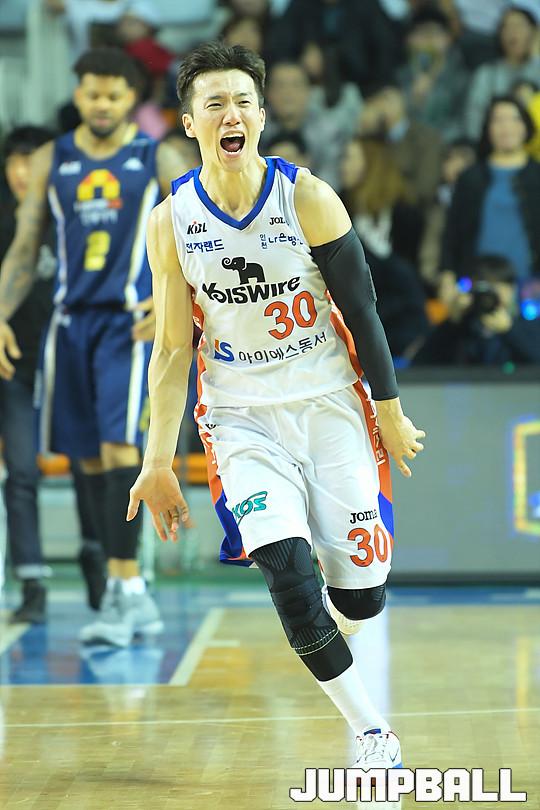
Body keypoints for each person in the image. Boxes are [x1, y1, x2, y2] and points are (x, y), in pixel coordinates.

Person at [127, 41, 426, 774]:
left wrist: (388, 410)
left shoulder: (309, 198)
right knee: (288, 578)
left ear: (260, 116)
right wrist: (157, 460)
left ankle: (340, 584)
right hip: (240, 418)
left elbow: (364, 311)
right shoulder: (171, 221)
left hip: (329, 405)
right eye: (214, 104)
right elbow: (172, 351)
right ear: (190, 123)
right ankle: (372, 734)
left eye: (243, 101)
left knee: (361, 600)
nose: (231, 114)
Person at [0, 48, 186, 646]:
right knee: (87, 459)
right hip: (68, 325)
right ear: (78, 95)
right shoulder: (52, 158)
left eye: (114, 94)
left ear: (132, 98)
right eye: (92, 93)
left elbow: (201, 228)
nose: (102, 104)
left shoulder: (158, 156)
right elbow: (26, 245)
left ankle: (126, 590)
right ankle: (125, 591)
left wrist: (178, 298)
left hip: (127, 326)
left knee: (118, 449)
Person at [0, 126, 56, 624]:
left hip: (66, 363)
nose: (23, 172)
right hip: (13, 369)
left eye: (32, 161)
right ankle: (33, 582)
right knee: (20, 471)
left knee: (96, 467)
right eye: (15, 161)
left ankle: (107, 570)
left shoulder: (68, 219)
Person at [440, 95, 540, 306]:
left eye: (514, 119)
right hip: (475, 283)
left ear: (526, 127)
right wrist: (447, 275)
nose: (506, 127)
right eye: (498, 120)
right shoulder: (470, 178)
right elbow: (452, 232)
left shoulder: (537, 176)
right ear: (487, 129)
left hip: (530, 288)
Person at [339, 136, 428, 357]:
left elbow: (411, 271)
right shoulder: (338, 207)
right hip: (356, 309)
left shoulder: (405, 213)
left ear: (371, 164)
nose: (343, 166)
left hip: (399, 312)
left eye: (349, 158)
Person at [413, 254, 540, 365]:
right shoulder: (464, 326)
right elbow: (421, 362)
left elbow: (535, 359)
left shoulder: (527, 325)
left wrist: (509, 330)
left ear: (512, 289)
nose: (490, 297)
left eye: (497, 287)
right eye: (486, 289)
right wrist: (453, 322)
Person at [358, 84, 443, 208]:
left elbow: (425, 188)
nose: (382, 106)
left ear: (401, 101)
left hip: (414, 212)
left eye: (386, 99)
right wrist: (364, 126)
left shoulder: (427, 138)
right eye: (377, 101)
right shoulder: (371, 139)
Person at [464, 4, 540, 140]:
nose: (513, 32)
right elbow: (474, 119)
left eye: (519, 26)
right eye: (506, 27)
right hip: (494, 144)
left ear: (533, 32)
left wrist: (535, 58)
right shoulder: (486, 73)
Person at [396, 5, 469, 141]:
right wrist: (412, 99)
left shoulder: (461, 78)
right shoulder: (399, 76)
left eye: (435, 33)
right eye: (422, 33)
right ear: (409, 40)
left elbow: (462, 123)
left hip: (444, 145)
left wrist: (432, 140)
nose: (429, 39)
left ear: (448, 39)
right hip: (404, 145)